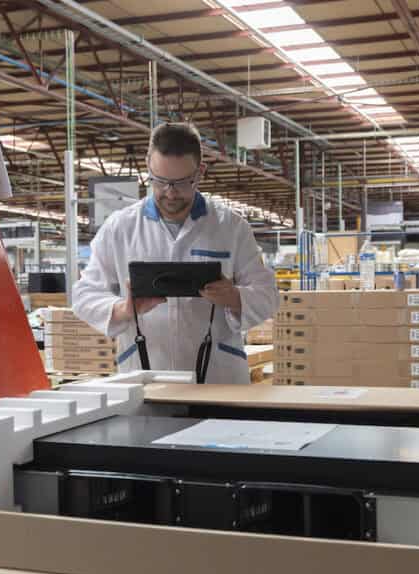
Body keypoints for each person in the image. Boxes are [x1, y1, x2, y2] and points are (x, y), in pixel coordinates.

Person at [73, 121, 279, 383]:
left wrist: (235, 297)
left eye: (182, 183)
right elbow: (83, 296)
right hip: (144, 376)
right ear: (148, 167)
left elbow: (268, 294)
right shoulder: (120, 228)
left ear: (200, 172)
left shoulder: (231, 227)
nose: (170, 193)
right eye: (160, 181)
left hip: (219, 376)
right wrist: (124, 309)